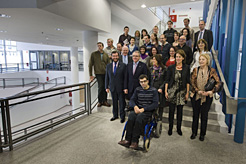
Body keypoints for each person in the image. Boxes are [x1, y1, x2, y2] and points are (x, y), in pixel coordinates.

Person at [118, 74, 159, 150]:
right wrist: (135, 106)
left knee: (139, 118)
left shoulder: (153, 91)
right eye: (141, 82)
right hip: (138, 109)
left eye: (144, 81)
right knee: (131, 116)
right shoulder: (138, 89)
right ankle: (127, 139)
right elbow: (132, 100)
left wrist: (144, 109)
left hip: (147, 111)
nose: (143, 83)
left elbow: (155, 104)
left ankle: (134, 141)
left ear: (148, 81)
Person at [190, 54, 221, 141]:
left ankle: (202, 134)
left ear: (207, 60)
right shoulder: (196, 70)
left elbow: (218, 83)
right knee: (195, 115)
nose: (201, 61)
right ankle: (194, 132)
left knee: (204, 116)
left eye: (203, 59)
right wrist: (197, 90)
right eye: (200, 59)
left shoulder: (212, 71)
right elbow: (192, 82)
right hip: (196, 95)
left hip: (207, 97)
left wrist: (211, 91)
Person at [165, 49, 190, 136]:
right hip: (172, 91)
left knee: (180, 112)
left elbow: (187, 81)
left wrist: (187, 93)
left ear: (183, 58)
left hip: (182, 92)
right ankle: (170, 128)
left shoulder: (186, 67)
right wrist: (166, 91)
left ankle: (179, 128)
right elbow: (167, 80)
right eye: (176, 57)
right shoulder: (171, 67)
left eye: (179, 57)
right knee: (171, 112)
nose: (178, 58)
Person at [105, 51, 126, 123]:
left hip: (121, 87)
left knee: (122, 103)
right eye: (113, 56)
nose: (115, 57)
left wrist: (125, 87)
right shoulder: (108, 66)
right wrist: (106, 87)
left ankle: (122, 116)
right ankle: (115, 115)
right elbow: (107, 77)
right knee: (114, 102)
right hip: (112, 87)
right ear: (111, 57)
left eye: (116, 56)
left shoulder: (123, 65)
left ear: (118, 56)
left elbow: (125, 78)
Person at [89, 42, 111, 107]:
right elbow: (90, 65)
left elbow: (108, 65)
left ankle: (105, 101)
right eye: (98, 46)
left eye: (100, 46)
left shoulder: (106, 55)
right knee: (100, 87)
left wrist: (109, 74)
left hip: (105, 73)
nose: (99, 47)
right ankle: (100, 101)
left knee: (105, 87)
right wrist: (90, 75)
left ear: (103, 47)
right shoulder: (93, 54)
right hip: (98, 73)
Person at [149, 54, 167, 121]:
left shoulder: (164, 69)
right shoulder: (151, 69)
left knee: (160, 106)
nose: (153, 61)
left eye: (154, 59)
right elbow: (149, 79)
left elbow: (166, 80)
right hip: (152, 89)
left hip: (160, 90)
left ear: (158, 60)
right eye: (153, 59)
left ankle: (159, 119)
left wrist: (161, 88)